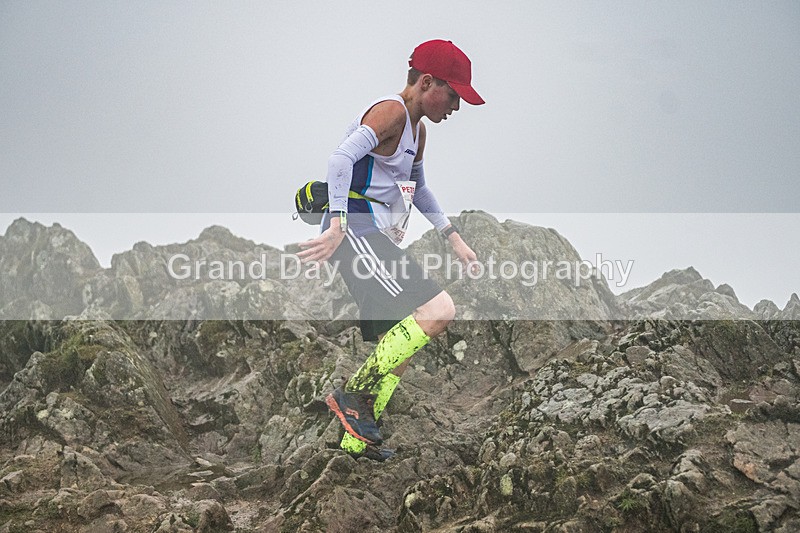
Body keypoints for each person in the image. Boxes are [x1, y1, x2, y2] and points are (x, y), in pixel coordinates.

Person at [297, 39, 484, 460]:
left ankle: (354, 445)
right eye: (453, 95)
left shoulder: (416, 131)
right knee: (439, 311)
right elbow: (339, 160)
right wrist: (337, 225)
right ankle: (356, 396)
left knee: (402, 344)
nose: (456, 106)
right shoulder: (392, 113)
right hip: (358, 231)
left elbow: (417, 188)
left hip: (372, 234)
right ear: (426, 81)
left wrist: (452, 236)